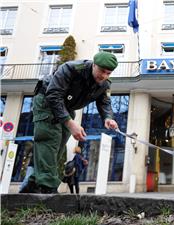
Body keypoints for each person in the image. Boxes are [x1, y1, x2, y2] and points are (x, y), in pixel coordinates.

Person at [22, 52, 119, 194]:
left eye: (108, 73)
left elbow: (104, 102)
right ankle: (48, 188)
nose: (104, 76)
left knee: (59, 145)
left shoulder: (104, 84)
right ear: (94, 65)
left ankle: (33, 183)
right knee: (49, 139)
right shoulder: (71, 69)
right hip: (47, 101)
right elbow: (53, 95)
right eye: (101, 71)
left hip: (67, 107)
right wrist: (69, 122)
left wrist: (108, 118)